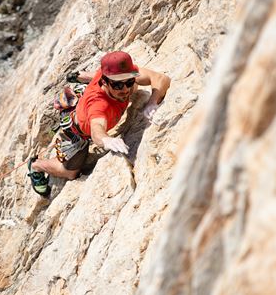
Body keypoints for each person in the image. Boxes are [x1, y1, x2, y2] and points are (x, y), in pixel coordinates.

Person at [28, 51, 171, 196]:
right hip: (78, 129)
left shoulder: (122, 75)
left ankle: (85, 77)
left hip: (89, 96)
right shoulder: (99, 105)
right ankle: (36, 166)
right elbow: (97, 129)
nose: (126, 89)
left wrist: (152, 103)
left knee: (135, 87)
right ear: (104, 82)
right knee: (70, 172)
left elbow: (161, 78)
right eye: (118, 85)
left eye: (129, 81)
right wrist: (106, 140)